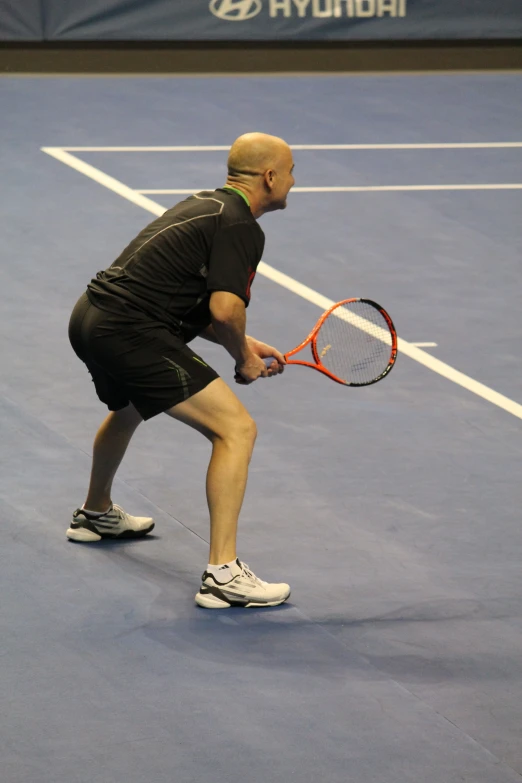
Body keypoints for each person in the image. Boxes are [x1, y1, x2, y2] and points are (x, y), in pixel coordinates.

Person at [67, 132, 296, 609]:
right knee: (236, 430)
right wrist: (244, 359)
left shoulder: (207, 206)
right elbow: (224, 310)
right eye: (291, 172)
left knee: (131, 407)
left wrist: (245, 343)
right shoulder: (241, 227)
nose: (294, 182)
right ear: (270, 177)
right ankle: (223, 575)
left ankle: (95, 513)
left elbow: (187, 305)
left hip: (92, 316)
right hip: (129, 331)